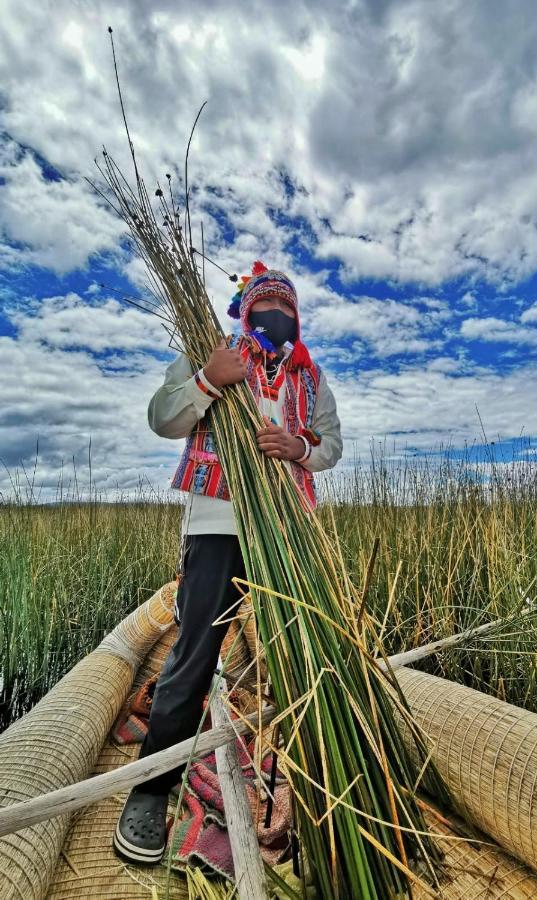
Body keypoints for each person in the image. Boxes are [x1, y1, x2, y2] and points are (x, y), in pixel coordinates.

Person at [113, 261, 343, 864]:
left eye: (287, 310)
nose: (277, 318)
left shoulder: (310, 376)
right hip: (216, 526)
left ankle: (313, 786)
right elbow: (164, 418)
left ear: (296, 317)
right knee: (193, 655)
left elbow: (331, 444)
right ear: (245, 311)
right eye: (266, 306)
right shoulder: (208, 351)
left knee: (301, 651)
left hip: (287, 530)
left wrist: (300, 448)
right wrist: (208, 383)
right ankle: (151, 787)